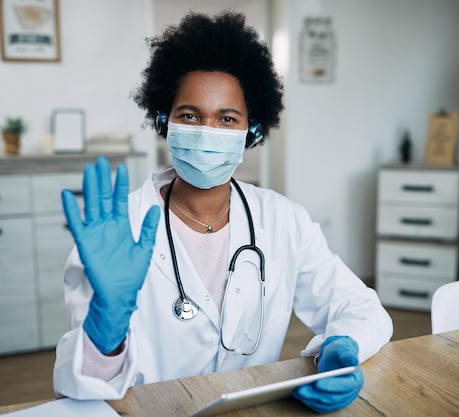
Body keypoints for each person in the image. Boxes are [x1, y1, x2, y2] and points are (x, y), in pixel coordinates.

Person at [53, 10, 393, 414]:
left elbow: (360, 307)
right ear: (164, 121)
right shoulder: (116, 228)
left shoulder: (284, 221)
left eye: (227, 118)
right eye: (190, 115)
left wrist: (343, 344)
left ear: (252, 131)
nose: (207, 131)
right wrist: (104, 328)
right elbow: (79, 393)